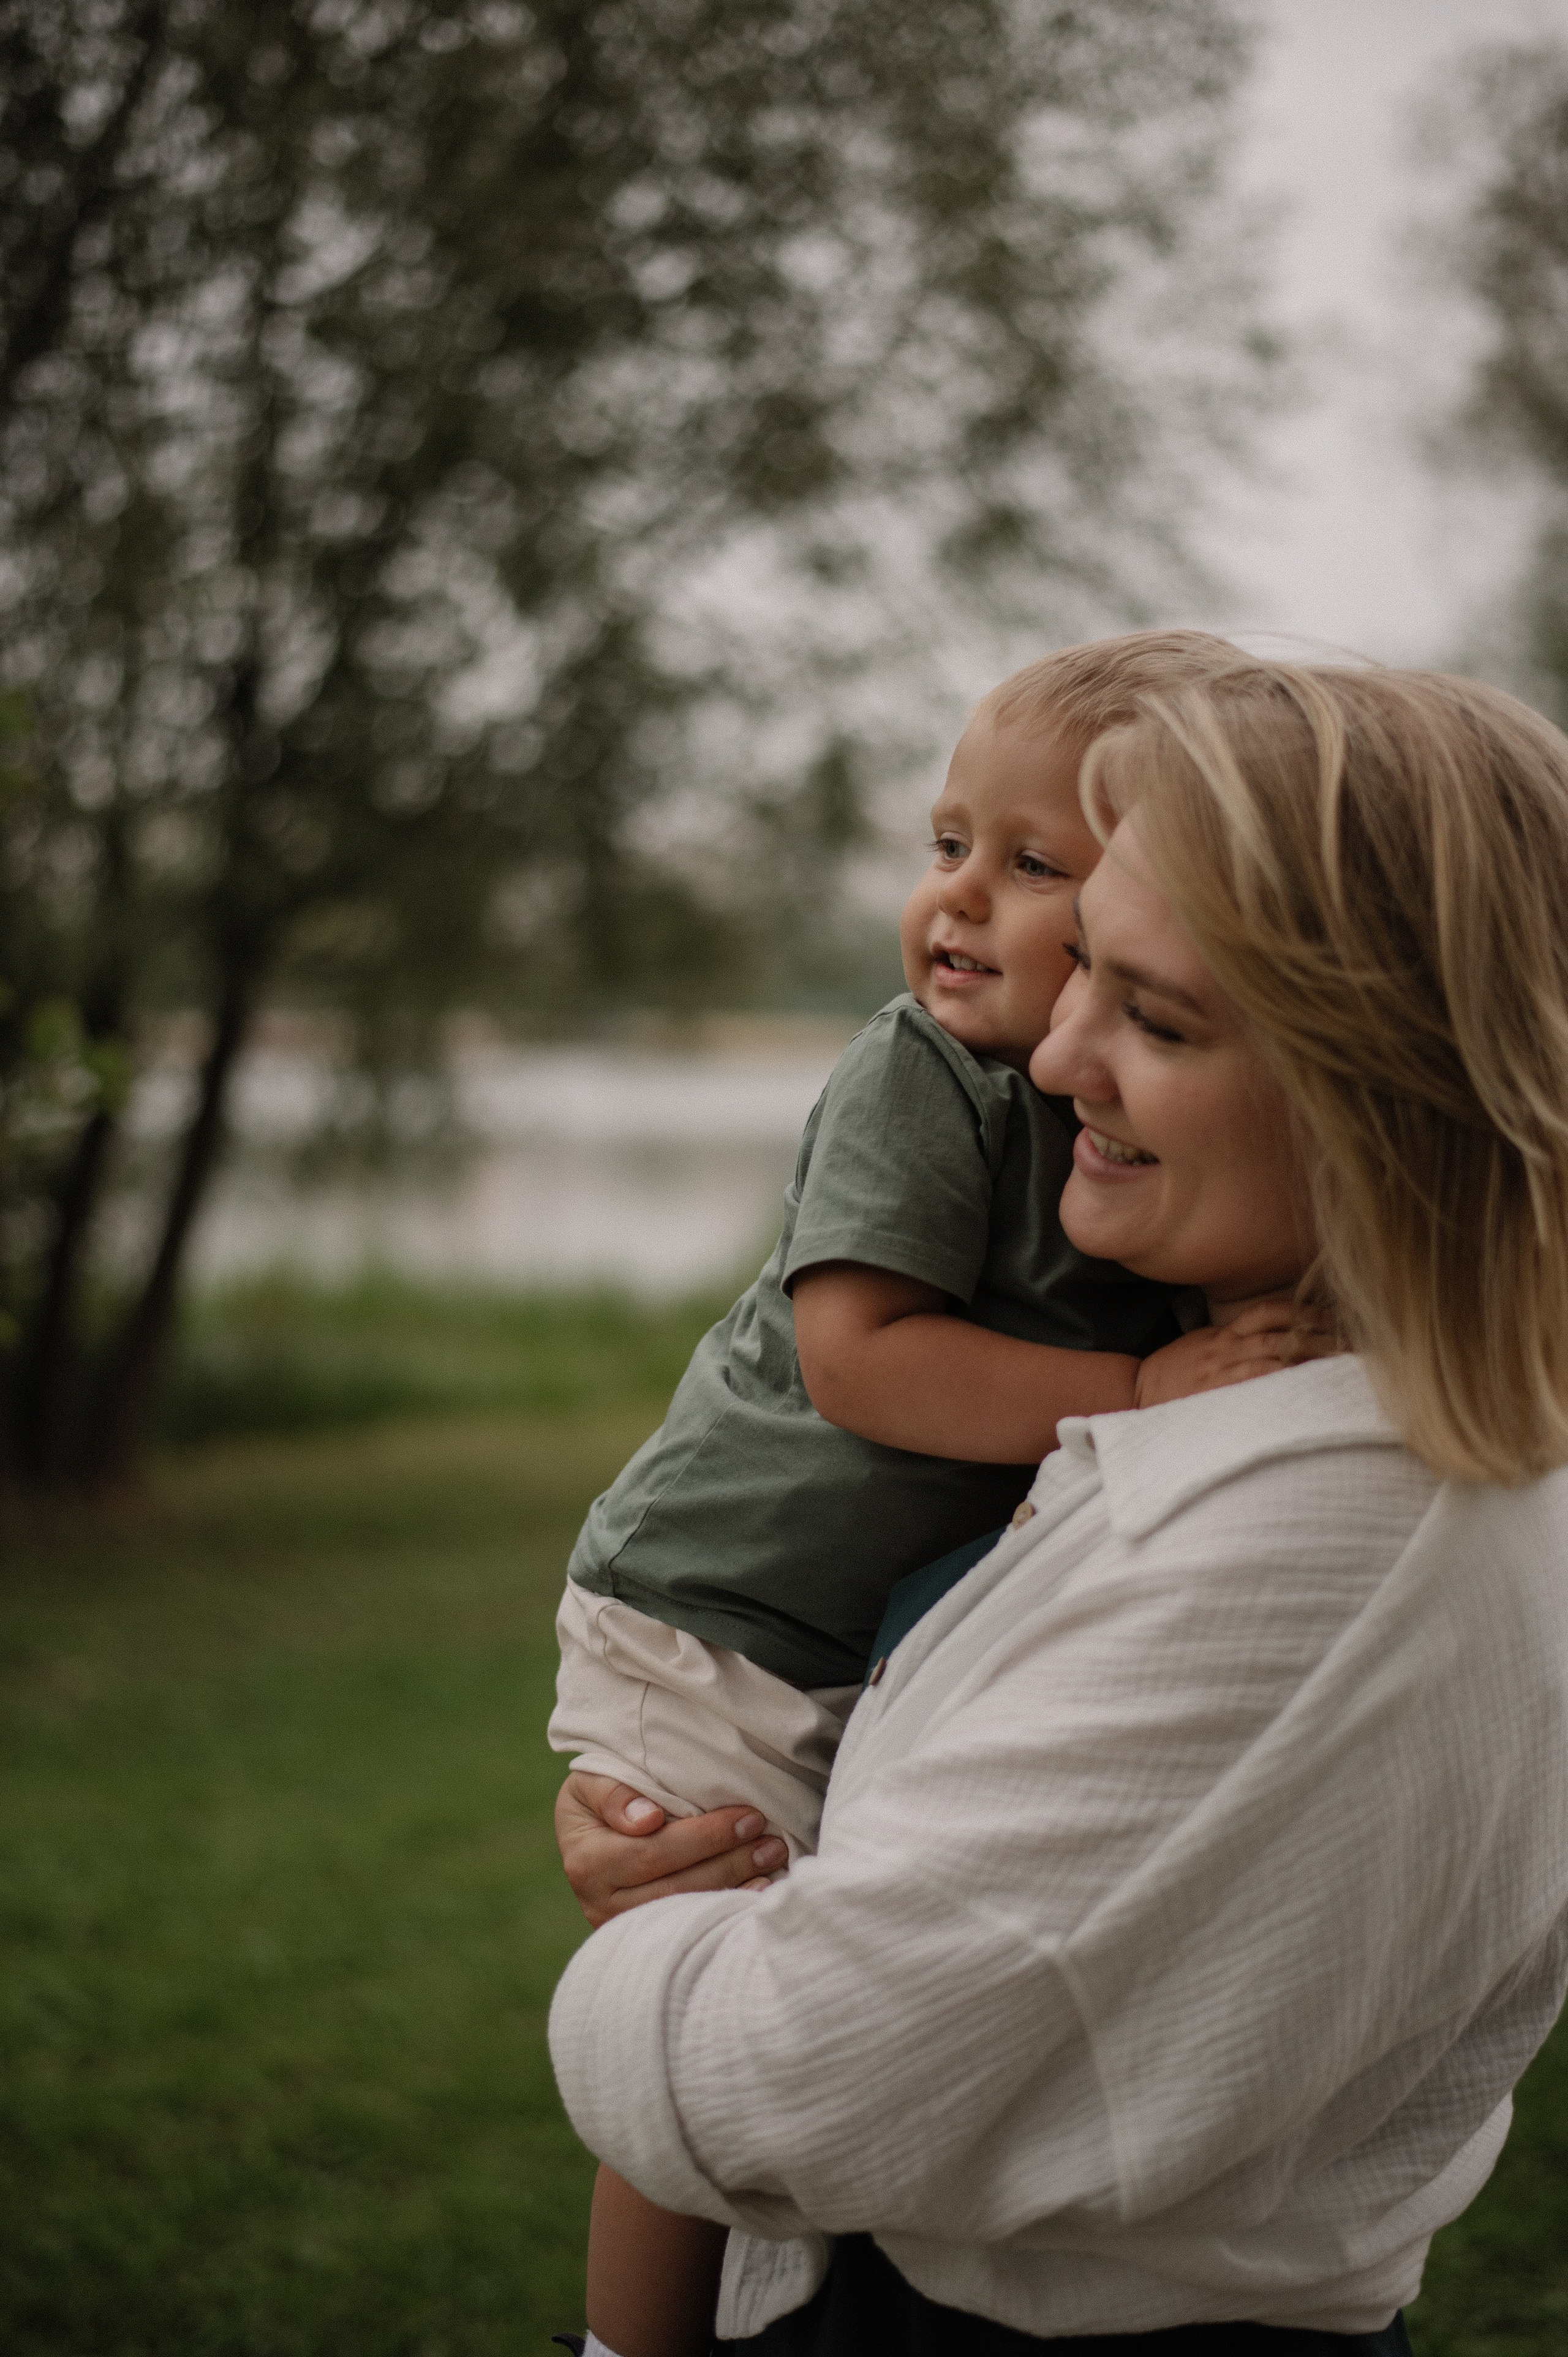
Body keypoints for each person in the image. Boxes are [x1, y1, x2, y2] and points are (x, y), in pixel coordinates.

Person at [548, 660, 1568, 2354]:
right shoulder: (1383, 1426)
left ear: (1395, 1087)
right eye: (1082, 963)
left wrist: (671, 1931)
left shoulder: (1335, 1535)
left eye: (1158, 1018)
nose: (1063, 1053)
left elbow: (764, 2090)